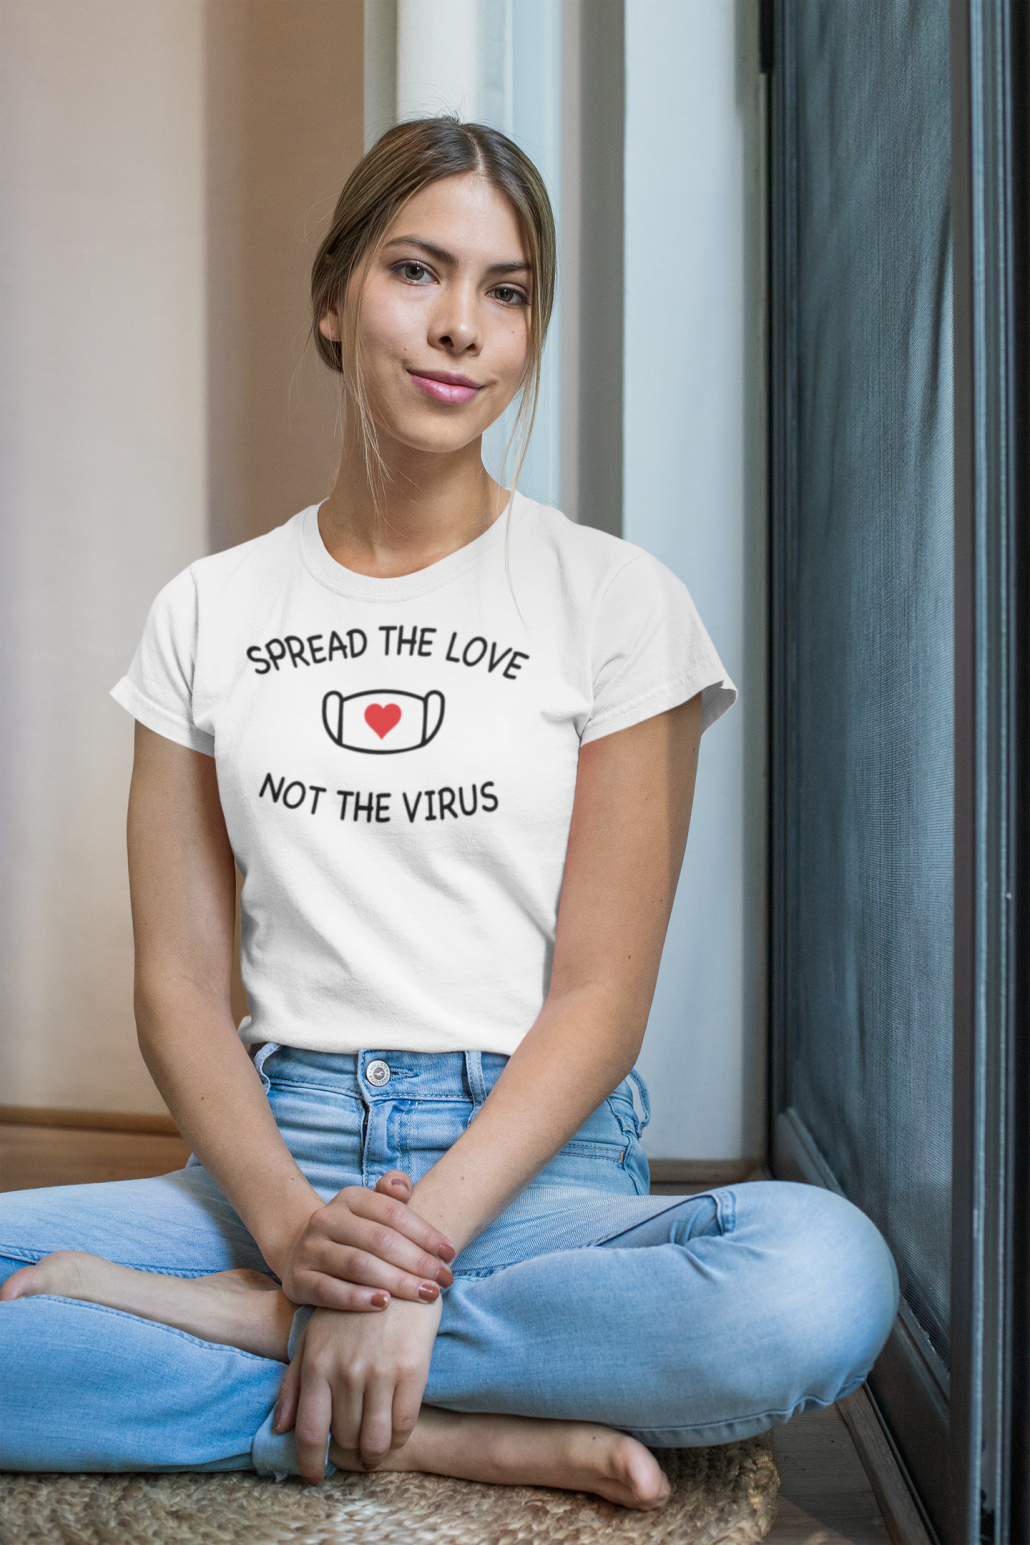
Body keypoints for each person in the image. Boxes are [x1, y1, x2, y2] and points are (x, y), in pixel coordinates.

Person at [0, 118, 898, 1508]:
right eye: (419, 270)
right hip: (273, 1154)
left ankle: (259, 1341)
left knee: (815, 1284)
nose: (462, 325)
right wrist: (298, 1232)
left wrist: (389, 1260)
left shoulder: (613, 600)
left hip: (530, 1163)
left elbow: (601, 997)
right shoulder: (210, 610)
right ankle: (431, 1419)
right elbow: (177, 987)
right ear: (331, 296)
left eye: (507, 289)